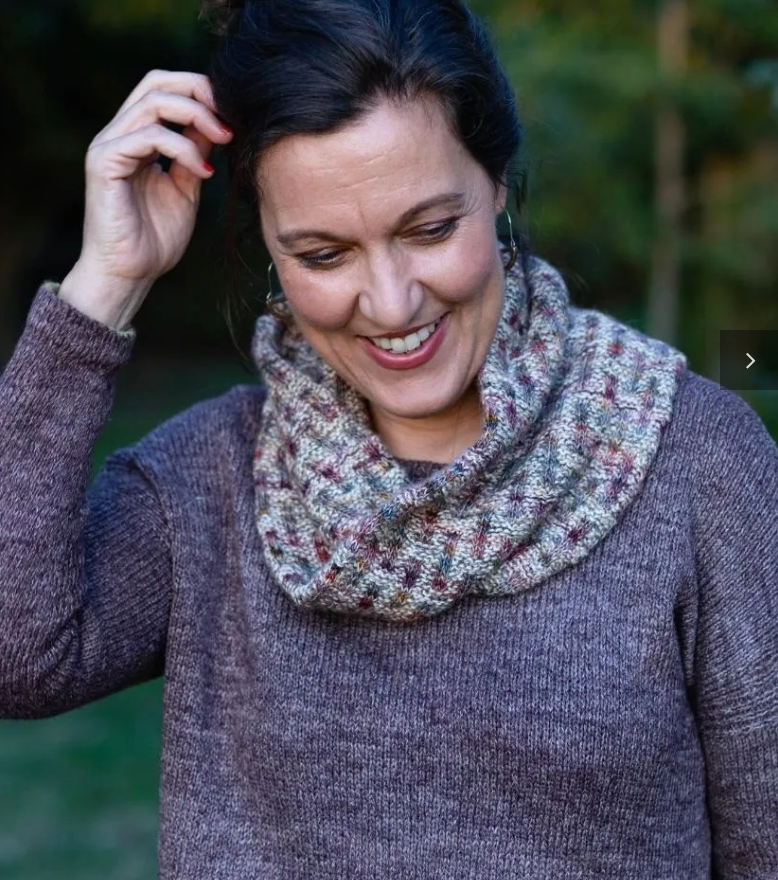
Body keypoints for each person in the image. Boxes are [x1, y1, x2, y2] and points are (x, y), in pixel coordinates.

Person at [1, 0, 777, 877]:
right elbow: (17, 656)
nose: (392, 302)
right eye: (323, 255)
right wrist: (104, 285)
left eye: (431, 229)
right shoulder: (207, 479)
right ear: (267, 246)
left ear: (498, 184)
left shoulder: (696, 461)